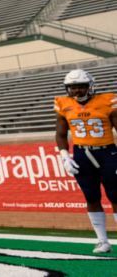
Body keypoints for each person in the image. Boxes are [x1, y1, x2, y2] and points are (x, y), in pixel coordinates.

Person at [54, 69, 117, 254]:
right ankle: (102, 241)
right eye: (73, 88)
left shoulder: (107, 100)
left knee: (115, 195)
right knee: (91, 197)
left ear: (90, 86)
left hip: (108, 153)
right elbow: (60, 134)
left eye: (80, 87)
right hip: (82, 154)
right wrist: (65, 156)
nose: (77, 91)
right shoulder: (63, 103)